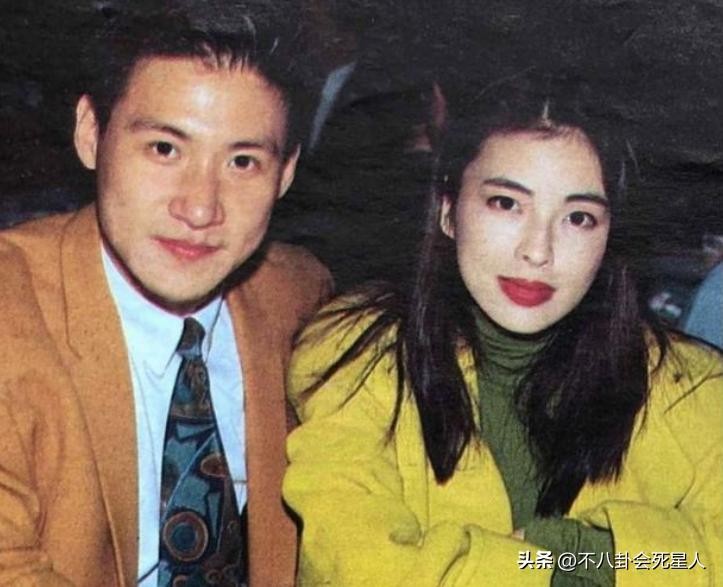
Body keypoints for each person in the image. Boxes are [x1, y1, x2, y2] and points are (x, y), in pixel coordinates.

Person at [283, 72, 722, 586]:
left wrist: (576, 552)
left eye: (578, 218)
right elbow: (359, 568)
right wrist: (586, 571)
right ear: (449, 211)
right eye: (507, 204)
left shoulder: (692, 388)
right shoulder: (356, 355)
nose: (538, 250)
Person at [0, 11, 331, 587]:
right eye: (164, 148)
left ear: (285, 174)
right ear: (91, 134)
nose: (200, 208)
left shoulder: (303, 300)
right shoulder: (11, 313)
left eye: (243, 162)